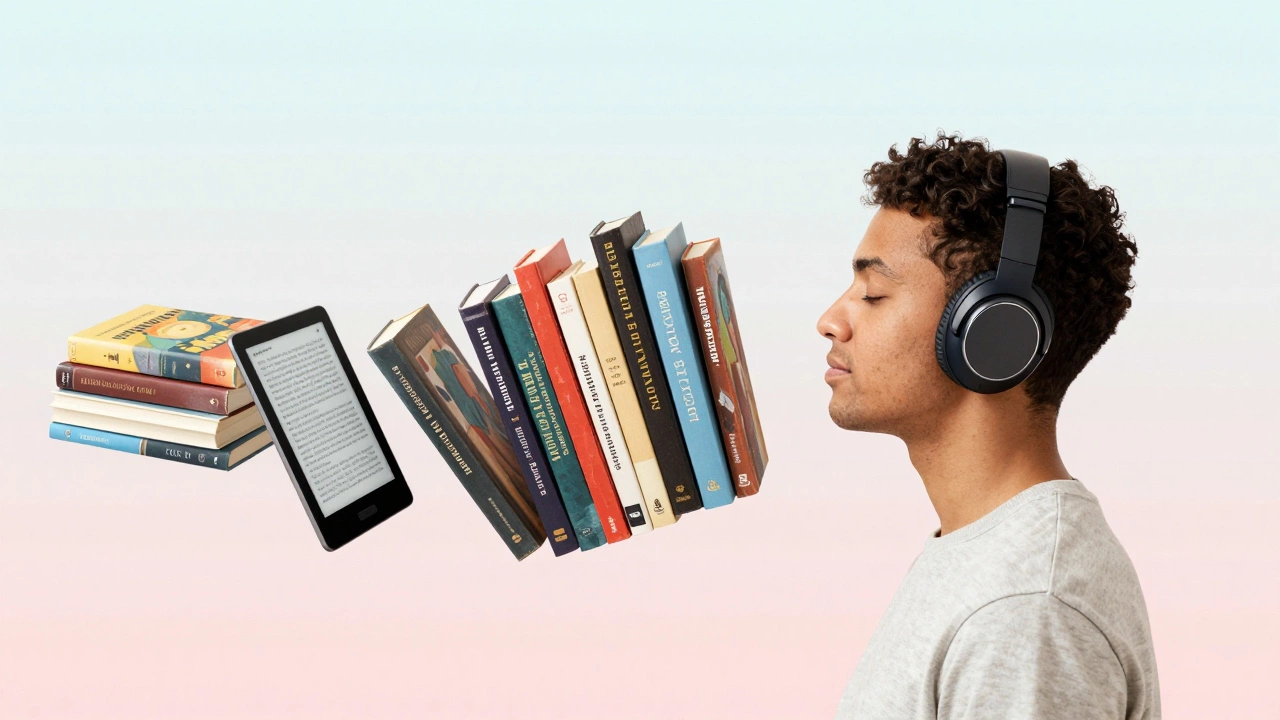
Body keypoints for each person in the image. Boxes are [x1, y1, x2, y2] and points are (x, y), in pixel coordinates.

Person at [820, 133, 1160, 719]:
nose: (830, 321)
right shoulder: (986, 557)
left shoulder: (1027, 609)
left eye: (873, 294)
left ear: (992, 333)